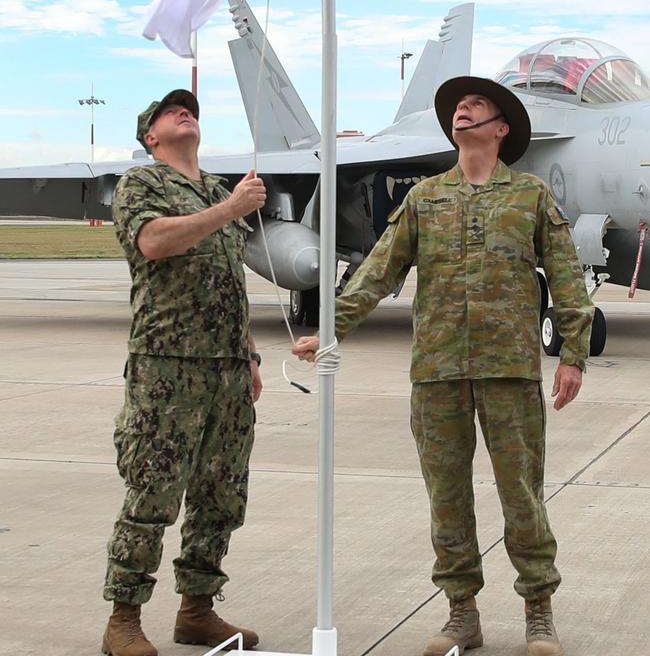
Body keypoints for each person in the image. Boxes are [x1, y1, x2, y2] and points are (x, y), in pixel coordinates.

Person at [293, 76, 593, 656]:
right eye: (459, 107)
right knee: (447, 498)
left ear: (501, 128)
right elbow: (380, 270)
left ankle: (538, 612)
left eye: (477, 105)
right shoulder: (425, 198)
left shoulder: (529, 196)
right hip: (437, 373)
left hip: (509, 371)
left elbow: (566, 280)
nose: (463, 111)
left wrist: (573, 356)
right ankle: (462, 614)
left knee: (522, 496)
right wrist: (331, 328)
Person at [102, 89, 266, 656]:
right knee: (153, 492)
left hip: (226, 370)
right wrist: (229, 210)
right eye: (171, 111)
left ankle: (196, 611)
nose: (184, 112)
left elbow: (227, 282)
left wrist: (247, 353)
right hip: (167, 367)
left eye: (189, 108)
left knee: (221, 497)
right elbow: (153, 242)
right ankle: (124, 619)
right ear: (151, 136)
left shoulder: (217, 191)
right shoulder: (141, 185)